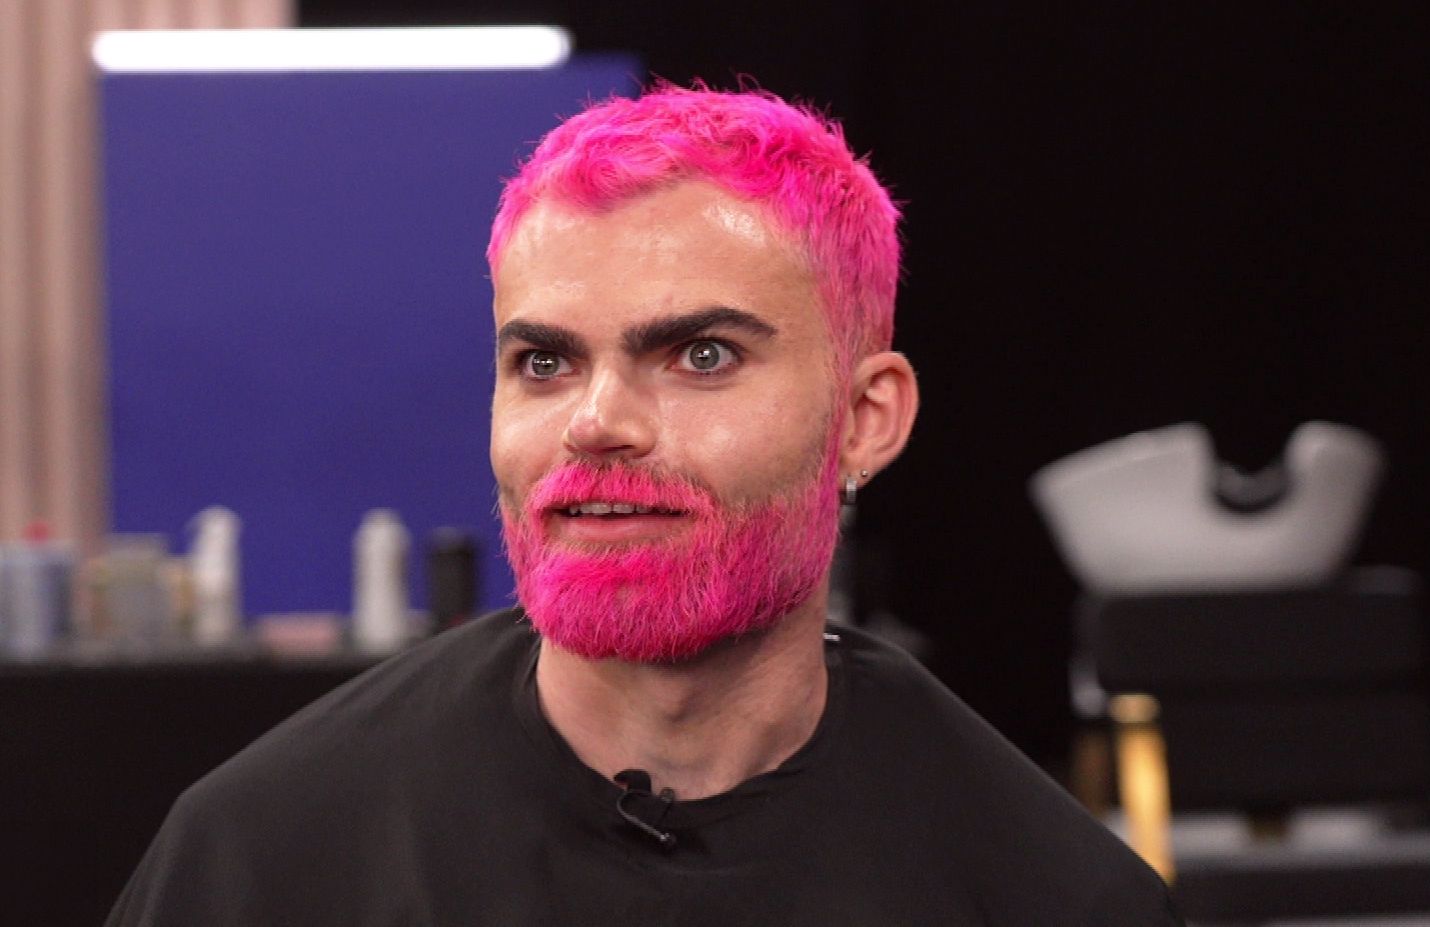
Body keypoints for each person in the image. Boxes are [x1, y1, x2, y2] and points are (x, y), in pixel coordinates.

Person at [107, 84, 1181, 926]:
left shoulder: (1047, 894)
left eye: (700, 354)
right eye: (543, 363)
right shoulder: (266, 857)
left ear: (864, 419)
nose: (596, 423)